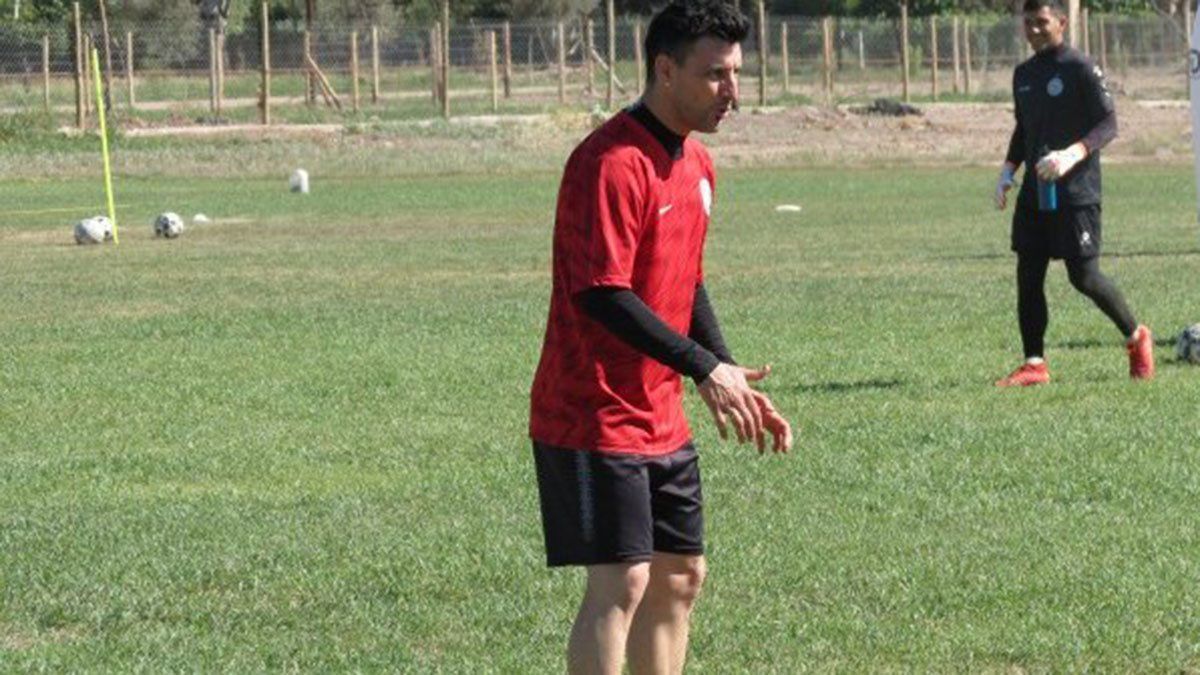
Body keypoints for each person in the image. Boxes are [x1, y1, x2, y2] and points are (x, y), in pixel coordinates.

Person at [528, 1, 793, 672]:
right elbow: (602, 291)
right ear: (664, 69)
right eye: (714, 75)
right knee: (622, 582)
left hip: (659, 413)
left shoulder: (699, 166)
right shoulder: (611, 161)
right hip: (591, 409)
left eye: (736, 73)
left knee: (680, 576)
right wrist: (702, 366)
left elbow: (685, 282)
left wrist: (723, 369)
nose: (732, 92)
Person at [993, 0, 1155, 387]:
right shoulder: (1024, 74)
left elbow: (1109, 123)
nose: (1033, 30)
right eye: (1028, 22)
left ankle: (1137, 337)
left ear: (1062, 22)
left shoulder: (1080, 67)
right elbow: (1024, 129)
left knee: (1083, 277)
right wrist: (1007, 170)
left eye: (1042, 22)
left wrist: (1073, 153)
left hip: (1076, 192)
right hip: (1034, 193)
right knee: (1028, 274)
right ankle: (1034, 364)